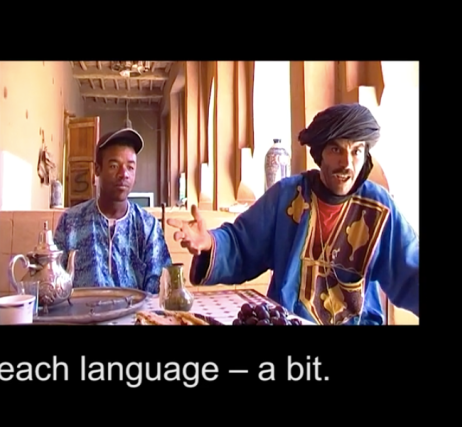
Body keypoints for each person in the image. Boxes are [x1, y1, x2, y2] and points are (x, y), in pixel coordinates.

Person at [167, 103, 418, 325]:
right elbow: (241, 243)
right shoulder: (287, 195)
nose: (347, 163)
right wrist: (210, 242)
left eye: (356, 151)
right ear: (320, 154)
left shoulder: (378, 206)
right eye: (336, 150)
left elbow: (410, 268)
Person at [53, 127, 172, 295]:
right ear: (97, 169)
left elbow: (161, 290)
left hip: (136, 312)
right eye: (114, 166)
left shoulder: (148, 226)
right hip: (83, 311)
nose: (124, 174)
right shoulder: (71, 222)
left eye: (130, 167)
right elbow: (55, 284)